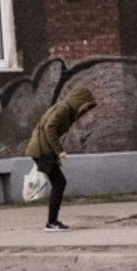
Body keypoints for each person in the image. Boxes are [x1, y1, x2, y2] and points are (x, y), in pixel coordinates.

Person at [27, 80, 98, 232]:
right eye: (85, 106)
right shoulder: (64, 109)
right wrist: (59, 151)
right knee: (59, 183)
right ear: (79, 101)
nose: (85, 111)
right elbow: (49, 128)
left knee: (59, 183)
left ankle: (52, 222)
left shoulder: (66, 110)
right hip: (42, 150)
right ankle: (51, 223)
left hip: (43, 149)